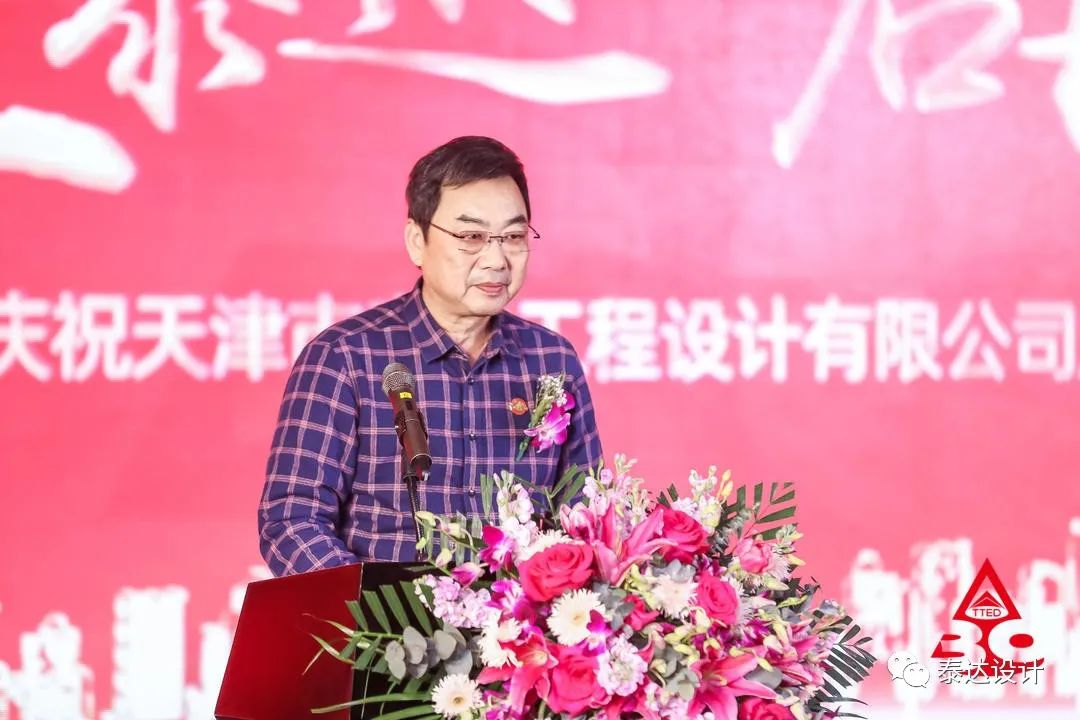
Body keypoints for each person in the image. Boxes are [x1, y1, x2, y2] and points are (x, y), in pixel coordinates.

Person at [258, 136, 603, 575]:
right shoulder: (345, 357)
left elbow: (585, 517)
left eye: (514, 236)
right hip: (380, 616)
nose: (497, 259)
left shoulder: (552, 361)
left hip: (516, 617)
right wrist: (376, 610)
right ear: (417, 241)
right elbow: (292, 521)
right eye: (472, 237)